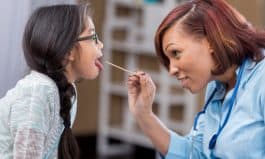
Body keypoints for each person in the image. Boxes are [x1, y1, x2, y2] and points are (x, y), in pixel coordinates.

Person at [127, 0, 265, 158]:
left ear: (211, 40)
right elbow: (194, 154)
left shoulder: (261, 79)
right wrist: (143, 114)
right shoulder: (217, 87)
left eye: (176, 53)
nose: (171, 70)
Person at [0, 3, 103, 159]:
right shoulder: (37, 93)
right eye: (93, 37)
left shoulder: (67, 92)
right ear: (69, 50)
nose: (101, 44)